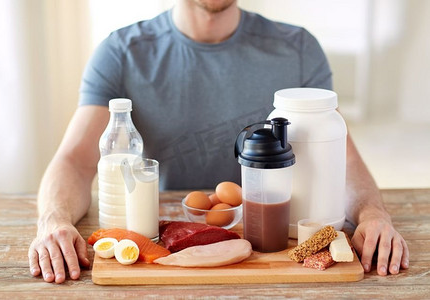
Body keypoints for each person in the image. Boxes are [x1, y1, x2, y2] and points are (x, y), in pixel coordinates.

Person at [28, 0, 408, 283]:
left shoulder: (298, 48)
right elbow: (75, 162)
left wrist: (374, 215)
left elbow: (342, 158)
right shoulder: (121, 53)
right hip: (165, 240)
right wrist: (53, 221)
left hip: (280, 239)